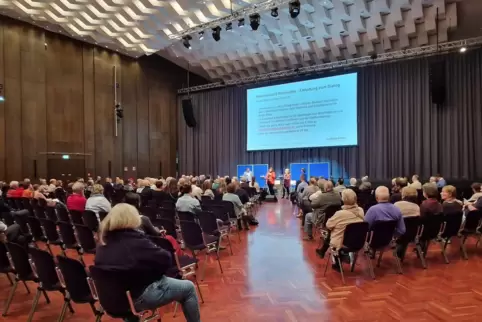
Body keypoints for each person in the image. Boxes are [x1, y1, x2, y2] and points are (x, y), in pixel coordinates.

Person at [95, 204, 201, 322]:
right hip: (138, 296)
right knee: (188, 288)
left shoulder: (102, 243)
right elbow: (166, 259)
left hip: (115, 299)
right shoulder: (134, 241)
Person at [315, 189, 364, 267]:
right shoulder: (361, 210)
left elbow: (328, 225)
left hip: (342, 243)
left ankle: (337, 257)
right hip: (358, 242)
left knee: (332, 230)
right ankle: (337, 255)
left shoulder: (340, 213)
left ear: (343, 199)